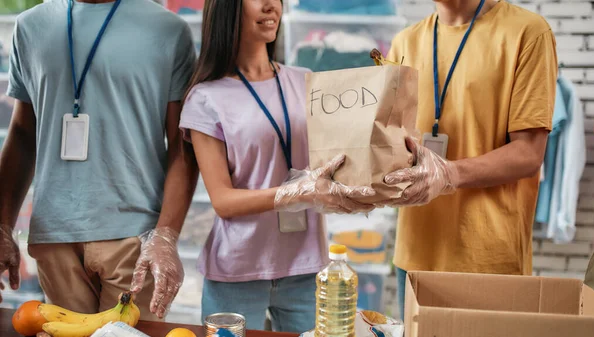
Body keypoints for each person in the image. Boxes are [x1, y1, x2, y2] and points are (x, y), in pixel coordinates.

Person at [178, 0, 375, 332]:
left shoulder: (306, 82)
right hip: (236, 273)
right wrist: (294, 192)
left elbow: (342, 160)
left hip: (307, 267)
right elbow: (223, 202)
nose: (272, 6)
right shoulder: (205, 98)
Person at [0, 0, 198, 321]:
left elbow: (182, 146)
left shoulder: (168, 30)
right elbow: (23, 133)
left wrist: (166, 236)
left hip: (135, 236)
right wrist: (3, 223)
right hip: (54, 235)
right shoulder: (29, 26)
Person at [380, 0, 558, 319]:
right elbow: (391, 147)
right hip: (414, 259)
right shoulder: (404, 42)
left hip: (490, 264)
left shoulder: (528, 33)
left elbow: (528, 154)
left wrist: (449, 173)